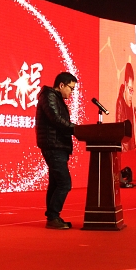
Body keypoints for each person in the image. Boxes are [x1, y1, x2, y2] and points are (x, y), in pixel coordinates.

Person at [36, 72, 77, 229]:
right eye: (71, 88)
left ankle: (53, 218)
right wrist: (76, 129)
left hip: (58, 145)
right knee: (64, 183)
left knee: (55, 183)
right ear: (61, 85)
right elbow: (56, 119)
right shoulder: (49, 96)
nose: (71, 92)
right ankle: (53, 216)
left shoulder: (56, 98)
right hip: (53, 145)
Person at [114, 62, 136, 153]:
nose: (131, 94)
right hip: (124, 150)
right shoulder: (120, 102)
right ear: (125, 85)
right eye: (130, 89)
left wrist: (134, 148)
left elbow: (132, 132)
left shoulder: (130, 103)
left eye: (132, 90)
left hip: (131, 149)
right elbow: (119, 132)